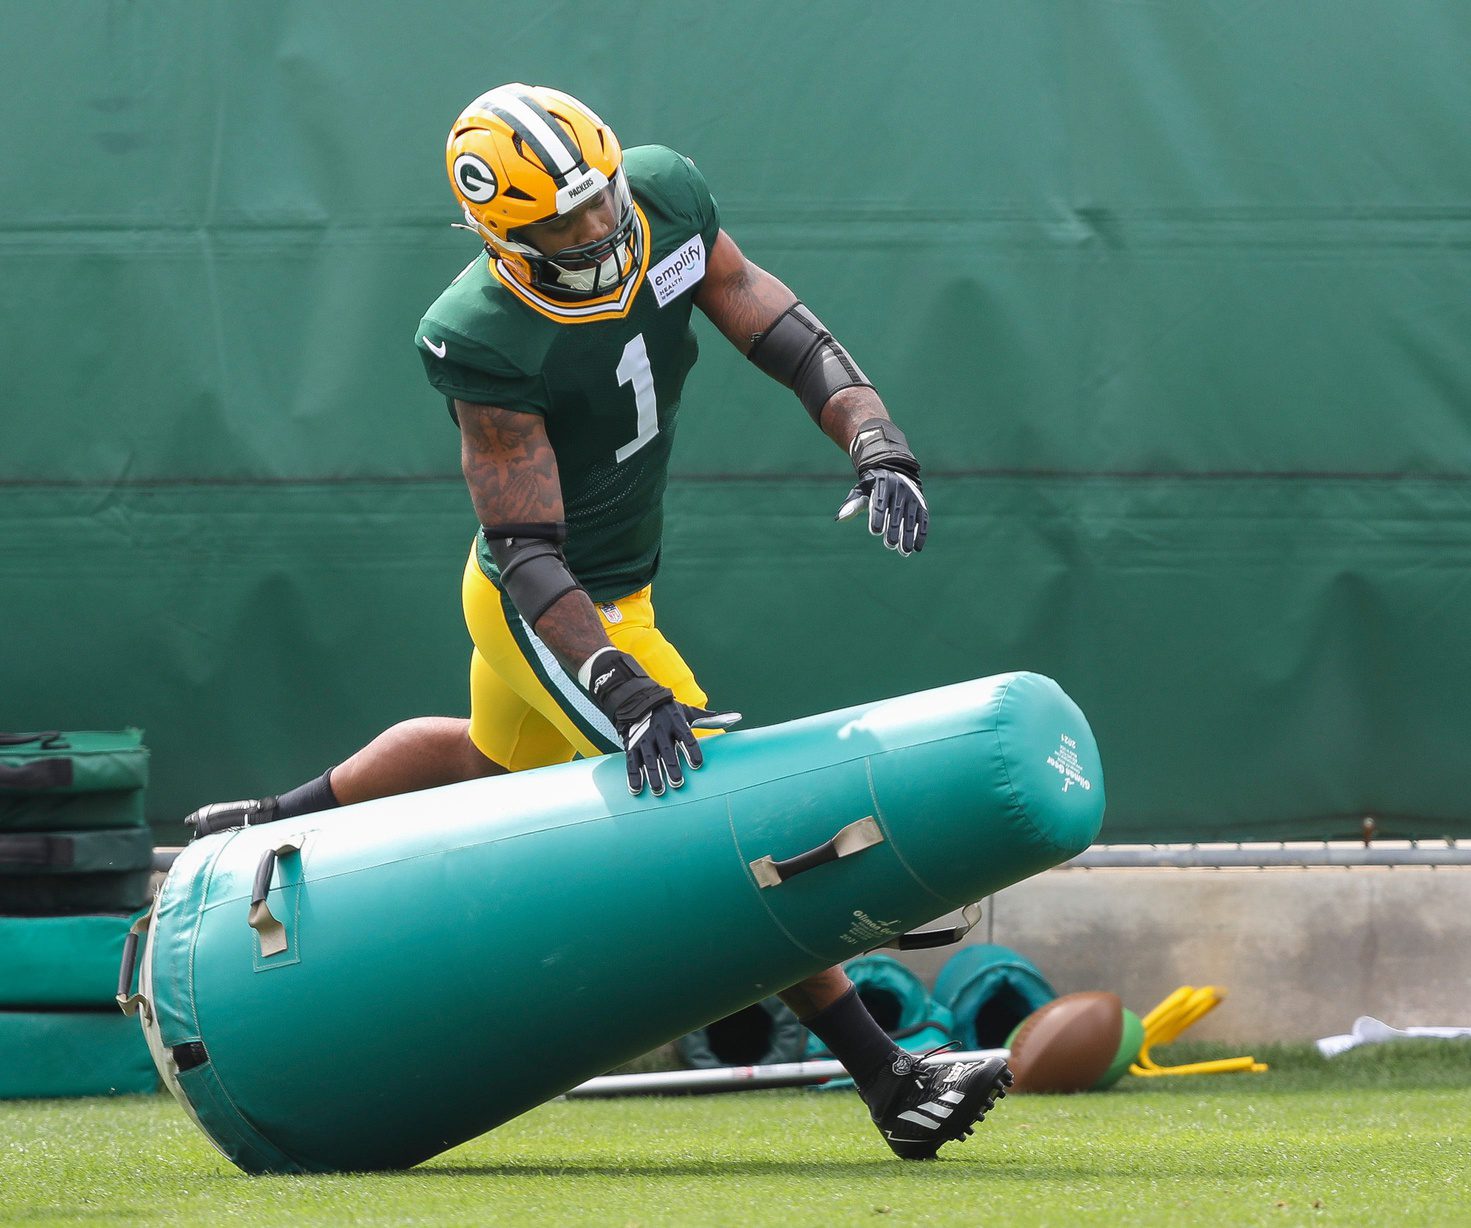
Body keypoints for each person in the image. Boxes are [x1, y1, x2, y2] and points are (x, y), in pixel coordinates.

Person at [184, 84, 1007, 1159]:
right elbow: (526, 548)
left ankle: (267, 821)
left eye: (597, 201)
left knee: (486, 761)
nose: (593, 230)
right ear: (497, 233)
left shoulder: (665, 200)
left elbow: (788, 335)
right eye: (559, 223)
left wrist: (875, 439)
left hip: (619, 586)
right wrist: (621, 683)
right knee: (725, 810)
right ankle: (890, 1074)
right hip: (551, 604)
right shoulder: (477, 333)